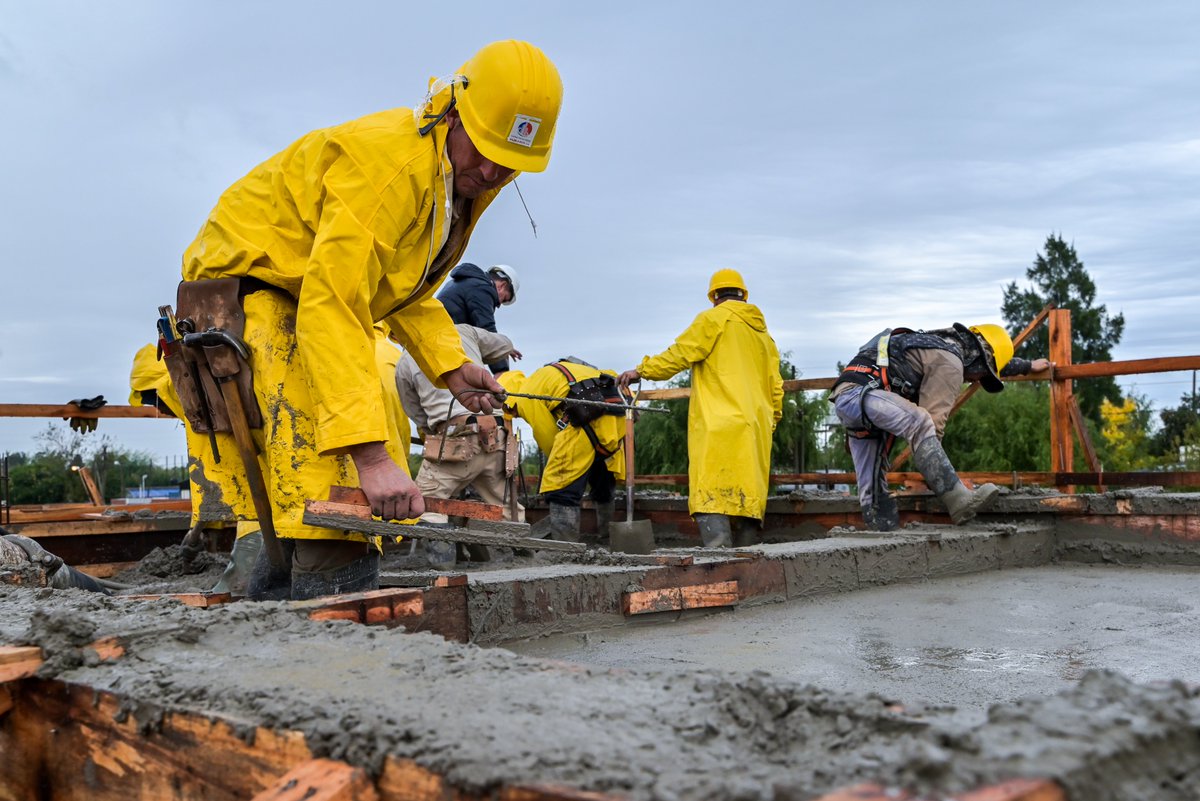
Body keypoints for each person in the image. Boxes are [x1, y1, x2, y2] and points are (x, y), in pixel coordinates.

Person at [173, 40, 562, 600]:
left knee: (312, 506)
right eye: (482, 147)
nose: (492, 169)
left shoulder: (451, 179)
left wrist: (451, 366)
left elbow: (398, 289)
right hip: (251, 295)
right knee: (338, 503)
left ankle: (272, 622)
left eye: (511, 161)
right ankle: (331, 659)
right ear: (453, 114)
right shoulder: (391, 168)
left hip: (279, 294)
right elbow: (332, 303)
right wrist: (373, 457)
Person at [828, 323, 1050, 530]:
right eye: (984, 374)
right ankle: (960, 501)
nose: (975, 381)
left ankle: (881, 538)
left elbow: (996, 361)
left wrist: (1028, 366)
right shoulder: (951, 362)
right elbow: (931, 431)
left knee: (873, 494)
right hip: (866, 397)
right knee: (921, 422)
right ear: (981, 360)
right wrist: (942, 481)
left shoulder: (938, 343)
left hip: (851, 398)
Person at [619, 269, 783, 548]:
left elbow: (680, 353)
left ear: (715, 296)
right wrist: (771, 420)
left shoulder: (712, 319)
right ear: (743, 294)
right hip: (754, 427)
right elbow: (776, 387)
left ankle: (718, 554)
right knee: (748, 491)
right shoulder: (764, 337)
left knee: (712, 488)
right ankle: (748, 557)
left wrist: (641, 370)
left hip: (718, 424)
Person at [396, 324, 523, 568]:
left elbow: (415, 412)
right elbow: (503, 344)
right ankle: (520, 563)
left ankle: (443, 568)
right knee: (506, 505)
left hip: (455, 437)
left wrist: (434, 432)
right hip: (497, 436)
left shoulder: (405, 359)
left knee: (428, 502)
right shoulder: (463, 332)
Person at [498, 360, 626, 543]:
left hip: (587, 414)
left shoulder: (524, 395)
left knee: (561, 488)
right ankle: (607, 537)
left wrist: (559, 464)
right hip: (617, 412)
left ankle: (565, 549)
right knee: (601, 473)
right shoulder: (547, 377)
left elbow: (548, 436)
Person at [437, 263, 523, 373]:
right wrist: (501, 370)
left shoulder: (462, 282)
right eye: (504, 298)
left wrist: (503, 349)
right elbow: (486, 327)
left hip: (436, 338)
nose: (499, 304)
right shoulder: (482, 288)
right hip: (447, 343)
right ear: (502, 285)